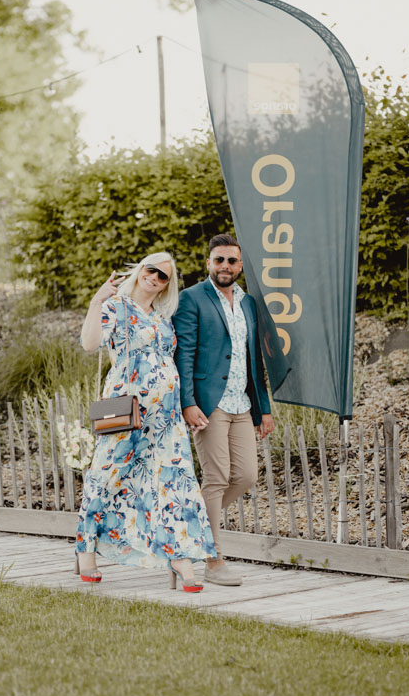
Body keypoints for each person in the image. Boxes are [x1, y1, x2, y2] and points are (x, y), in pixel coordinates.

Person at [76, 251, 216, 592]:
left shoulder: (163, 316)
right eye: (151, 269)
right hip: (128, 408)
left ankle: (180, 558)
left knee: (174, 481)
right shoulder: (117, 306)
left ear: (167, 285)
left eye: (163, 275)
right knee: (108, 473)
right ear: (140, 270)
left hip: (165, 416)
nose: (154, 277)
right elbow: (90, 343)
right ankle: (86, 549)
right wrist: (96, 302)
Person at [173, 234, 275, 586]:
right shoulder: (191, 299)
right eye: (219, 260)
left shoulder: (248, 303)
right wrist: (188, 402)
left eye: (231, 261)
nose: (225, 266)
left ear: (240, 265)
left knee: (245, 476)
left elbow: (253, 360)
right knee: (216, 479)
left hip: (242, 403)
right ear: (209, 263)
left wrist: (264, 409)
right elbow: (184, 355)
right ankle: (214, 561)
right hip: (209, 404)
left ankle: (191, 528)